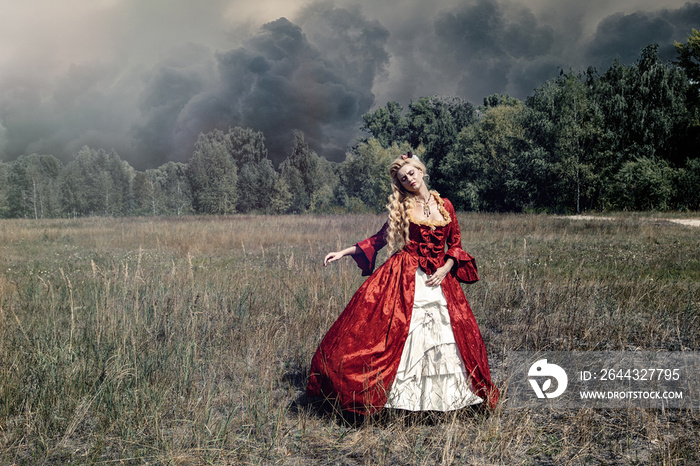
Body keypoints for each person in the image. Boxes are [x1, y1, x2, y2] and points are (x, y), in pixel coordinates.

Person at [306, 153, 499, 415]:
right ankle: (402, 401)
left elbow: (455, 244)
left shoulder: (446, 206)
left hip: (440, 279)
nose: (409, 179)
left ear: (422, 171)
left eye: (411, 173)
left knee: (448, 335)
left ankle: (447, 399)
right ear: (400, 184)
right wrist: (344, 252)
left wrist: (446, 267)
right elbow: (379, 239)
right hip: (407, 275)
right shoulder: (403, 208)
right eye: (402, 178)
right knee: (394, 333)